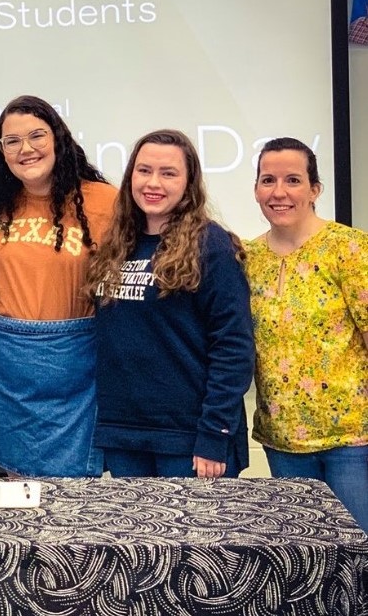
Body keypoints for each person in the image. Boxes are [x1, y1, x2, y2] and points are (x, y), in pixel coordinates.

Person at [86, 129, 254, 478]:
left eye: (168, 173)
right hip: (126, 436)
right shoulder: (117, 245)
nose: (153, 183)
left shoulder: (212, 247)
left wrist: (214, 435)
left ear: (189, 183)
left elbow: (234, 348)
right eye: (144, 170)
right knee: (135, 534)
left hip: (190, 441)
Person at [0, 95, 118, 477]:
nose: (26, 149)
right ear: (1, 151)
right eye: (12, 141)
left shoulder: (104, 201)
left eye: (36, 135)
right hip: (8, 367)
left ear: (58, 138)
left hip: (76, 366)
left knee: (71, 499)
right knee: (12, 491)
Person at [245, 137, 367, 530]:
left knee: (357, 556)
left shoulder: (349, 250)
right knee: (307, 563)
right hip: (280, 441)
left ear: (315, 189)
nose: (279, 192)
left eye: (293, 180)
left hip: (352, 440)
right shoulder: (246, 259)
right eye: (268, 180)